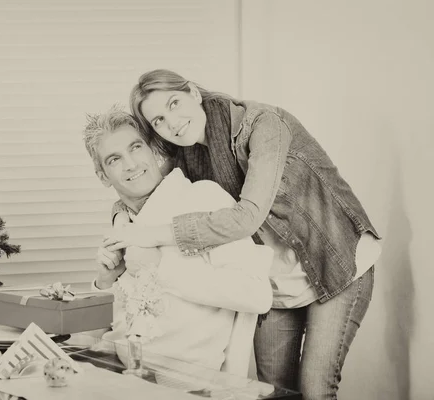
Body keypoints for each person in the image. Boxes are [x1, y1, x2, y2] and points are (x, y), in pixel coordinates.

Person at [102, 70, 382, 400]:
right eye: (159, 121)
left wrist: (152, 235)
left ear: (193, 92)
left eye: (174, 103)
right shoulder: (189, 150)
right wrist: (122, 221)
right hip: (277, 280)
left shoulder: (265, 125)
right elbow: (143, 185)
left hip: (335, 262)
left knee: (315, 388)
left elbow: (247, 218)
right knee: (273, 390)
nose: (173, 123)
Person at [82, 106, 274, 383]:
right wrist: (104, 283)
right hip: (117, 377)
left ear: (153, 151)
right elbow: (95, 337)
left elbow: (256, 294)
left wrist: (160, 267)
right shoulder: (122, 226)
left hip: (183, 385)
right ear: (103, 177)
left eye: (136, 148)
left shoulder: (203, 199)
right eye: (114, 159)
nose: (131, 164)